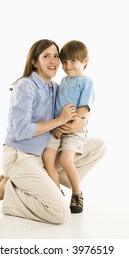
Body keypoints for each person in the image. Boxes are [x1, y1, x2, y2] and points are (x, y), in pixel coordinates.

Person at [0, 39, 105, 224]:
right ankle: (8, 188)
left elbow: (78, 107)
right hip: (21, 155)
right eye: (46, 56)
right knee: (59, 213)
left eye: (56, 56)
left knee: (98, 146)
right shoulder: (25, 86)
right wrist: (59, 121)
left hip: (43, 154)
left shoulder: (55, 87)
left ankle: (52, 185)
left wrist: (82, 121)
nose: (54, 60)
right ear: (34, 61)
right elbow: (22, 131)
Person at [43, 40, 94, 214]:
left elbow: (83, 109)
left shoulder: (86, 82)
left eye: (73, 61)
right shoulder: (63, 80)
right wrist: (58, 124)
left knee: (65, 159)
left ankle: (77, 193)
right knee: (48, 156)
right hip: (57, 127)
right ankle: (56, 193)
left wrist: (69, 125)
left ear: (85, 61)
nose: (67, 65)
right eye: (64, 62)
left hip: (73, 129)